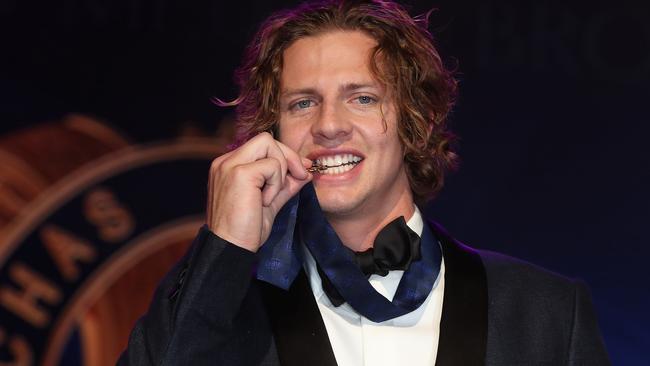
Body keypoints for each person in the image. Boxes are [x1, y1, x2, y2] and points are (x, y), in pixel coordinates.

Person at [119, 1, 609, 365]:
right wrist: (225, 248)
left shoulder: (545, 312)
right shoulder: (225, 306)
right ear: (274, 132)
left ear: (414, 121)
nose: (329, 125)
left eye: (362, 98)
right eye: (303, 103)